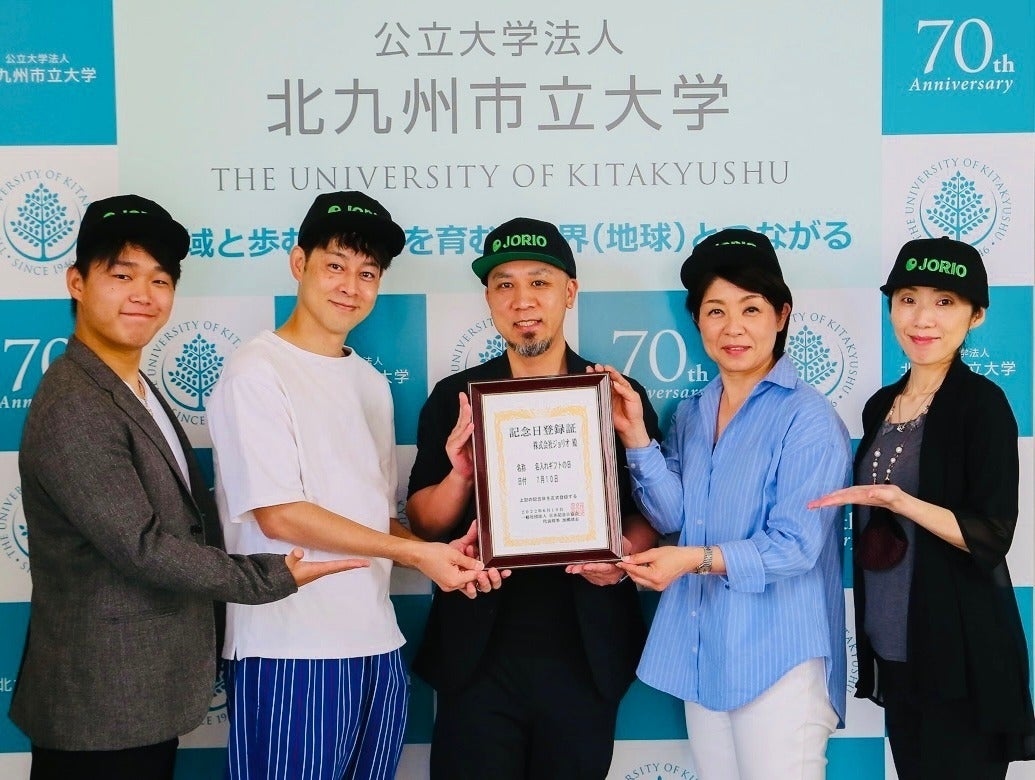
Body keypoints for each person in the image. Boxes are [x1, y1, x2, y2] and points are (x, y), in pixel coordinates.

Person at [10, 195, 363, 780]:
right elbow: (141, 546)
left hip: (139, 692)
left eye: (160, 280)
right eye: (122, 275)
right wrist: (271, 575)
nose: (143, 294)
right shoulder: (75, 402)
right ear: (77, 282)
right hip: (101, 701)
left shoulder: (128, 385)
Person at [206, 191, 484, 780]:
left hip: (377, 644)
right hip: (288, 649)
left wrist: (441, 554)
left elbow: (373, 515)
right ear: (298, 263)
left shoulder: (370, 383)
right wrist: (418, 554)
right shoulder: (255, 370)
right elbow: (278, 514)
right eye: (335, 265)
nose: (350, 286)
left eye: (367, 273)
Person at [406, 217, 661, 779]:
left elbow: (652, 516)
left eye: (540, 282)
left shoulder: (616, 394)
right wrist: (461, 477)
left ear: (570, 292)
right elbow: (424, 524)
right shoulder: (456, 396)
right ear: (489, 298)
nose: (522, 300)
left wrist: (622, 556)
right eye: (505, 284)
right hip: (477, 652)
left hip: (587, 650)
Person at [601, 228, 850, 780]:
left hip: (780, 657)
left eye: (751, 308)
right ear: (697, 321)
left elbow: (795, 548)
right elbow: (671, 517)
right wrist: (636, 436)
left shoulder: (807, 418)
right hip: (705, 649)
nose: (733, 327)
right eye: (715, 310)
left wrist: (691, 560)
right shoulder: (692, 413)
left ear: (781, 316)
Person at [809, 237, 1035, 778]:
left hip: (960, 654)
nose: (922, 318)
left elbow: (992, 534)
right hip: (894, 647)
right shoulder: (880, 405)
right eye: (908, 299)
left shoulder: (982, 405)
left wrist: (900, 502)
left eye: (945, 302)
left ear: (976, 316)